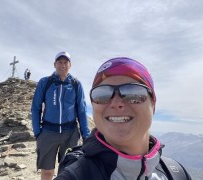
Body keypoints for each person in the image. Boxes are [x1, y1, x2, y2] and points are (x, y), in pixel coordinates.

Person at [55, 57, 192, 180]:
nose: (116, 103)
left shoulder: (177, 173)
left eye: (133, 93)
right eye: (102, 95)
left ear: (153, 105)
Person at [31, 51, 90, 180]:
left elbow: (81, 110)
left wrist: (86, 135)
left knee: (69, 171)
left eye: (65, 62)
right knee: (47, 172)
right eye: (59, 62)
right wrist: (37, 131)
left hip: (70, 133)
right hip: (48, 132)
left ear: (70, 65)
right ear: (54, 64)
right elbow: (36, 108)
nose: (62, 65)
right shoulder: (45, 82)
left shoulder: (76, 84)